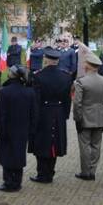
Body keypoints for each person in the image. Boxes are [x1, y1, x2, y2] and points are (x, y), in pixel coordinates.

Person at [29, 47, 73, 183]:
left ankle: (42, 174)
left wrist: (33, 118)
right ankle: (50, 172)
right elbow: (67, 99)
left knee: (41, 143)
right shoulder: (66, 76)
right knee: (54, 143)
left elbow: (35, 100)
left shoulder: (38, 76)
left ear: (46, 60)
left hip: (43, 113)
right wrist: (64, 115)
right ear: (57, 60)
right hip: (59, 112)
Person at [0, 65, 37, 192]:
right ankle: (17, 181)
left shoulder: (4, 91)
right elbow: (34, 114)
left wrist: (0, 132)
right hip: (23, 129)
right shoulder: (29, 91)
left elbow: (1, 114)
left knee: (7, 155)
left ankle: (8, 182)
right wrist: (31, 130)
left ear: (13, 75)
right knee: (19, 154)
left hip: (7, 129)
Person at [73, 53, 103, 181]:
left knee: (85, 146)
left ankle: (85, 172)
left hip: (85, 118)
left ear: (88, 66)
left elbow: (77, 103)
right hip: (100, 118)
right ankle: (92, 170)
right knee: (96, 145)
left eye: (85, 63)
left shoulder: (81, 82)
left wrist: (77, 119)